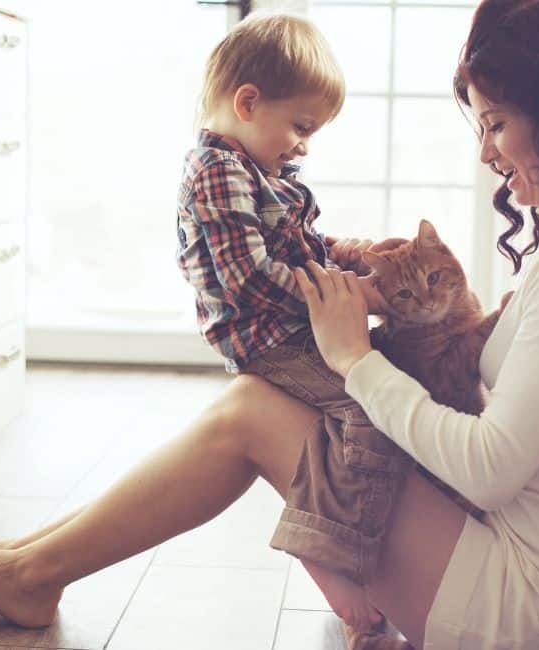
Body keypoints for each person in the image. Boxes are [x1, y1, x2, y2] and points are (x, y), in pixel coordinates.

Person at [0, 0, 539, 647]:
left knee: (250, 412)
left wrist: (358, 359)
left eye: (496, 124)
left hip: (522, 613)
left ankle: (33, 571)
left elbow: (489, 469)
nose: (484, 151)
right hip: (503, 556)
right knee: (254, 403)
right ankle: (28, 561)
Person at [175, 11, 414, 632]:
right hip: (269, 338)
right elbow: (250, 277)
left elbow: (303, 247)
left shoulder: (259, 170)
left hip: (292, 326)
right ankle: (339, 562)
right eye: (301, 126)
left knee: (382, 388)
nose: (305, 144)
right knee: (371, 409)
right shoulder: (217, 172)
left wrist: (355, 255)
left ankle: (353, 540)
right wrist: (353, 298)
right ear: (248, 102)